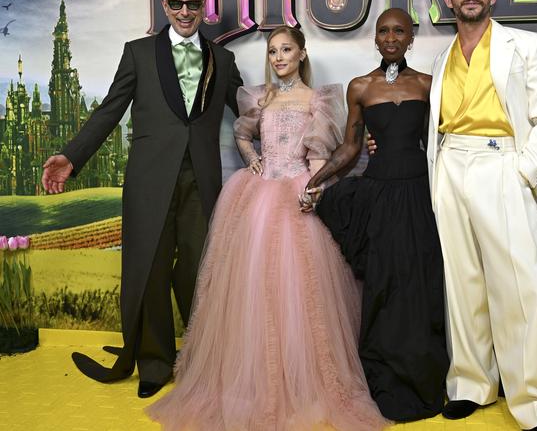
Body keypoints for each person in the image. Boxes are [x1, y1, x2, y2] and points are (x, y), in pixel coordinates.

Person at [145, 26, 388, 431]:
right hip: (257, 196)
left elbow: (318, 155)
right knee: (251, 291)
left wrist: (314, 189)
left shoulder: (317, 100)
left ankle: (302, 384)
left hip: (295, 194)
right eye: (273, 51)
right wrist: (251, 157)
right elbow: (242, 133)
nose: (278, 58)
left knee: (298, 291)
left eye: (286, 49)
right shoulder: (260, 97)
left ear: (302, 54)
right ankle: (251, 382)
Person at [40, 0, 242, 398]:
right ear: (165, 7)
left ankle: (202, 358)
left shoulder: (223, 62)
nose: (185, 12)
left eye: (193, 4)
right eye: (177, 4)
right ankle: (154, 363)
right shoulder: (138, 53)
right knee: (149, 268)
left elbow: (252, 111)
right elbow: (108, 111)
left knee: (197, 270)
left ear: (203, 7)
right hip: (149, 181)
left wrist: (301, 125)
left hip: (200, 182)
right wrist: (72, 157)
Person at [426, 0, 537, 430]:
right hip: (451, 165)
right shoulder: (441, 56)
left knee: (520, 286)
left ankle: (534, 404)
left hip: (502, 165)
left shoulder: (526, 46)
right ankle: (472, 384)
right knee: (462, 283)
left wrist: (521, 173)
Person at [302, 8, 449, 422]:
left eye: (398, 30)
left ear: (410, 37)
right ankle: (385, 373)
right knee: (383, 286)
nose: (390, 37)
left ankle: (425, 372)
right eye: (383, 30)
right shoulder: (360, 87)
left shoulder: (427, 84)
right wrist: (318, 181)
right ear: (376, 37)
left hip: (420, 193)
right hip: (381, 195)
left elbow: (436, 144)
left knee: (421, 285)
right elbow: (350, 148)